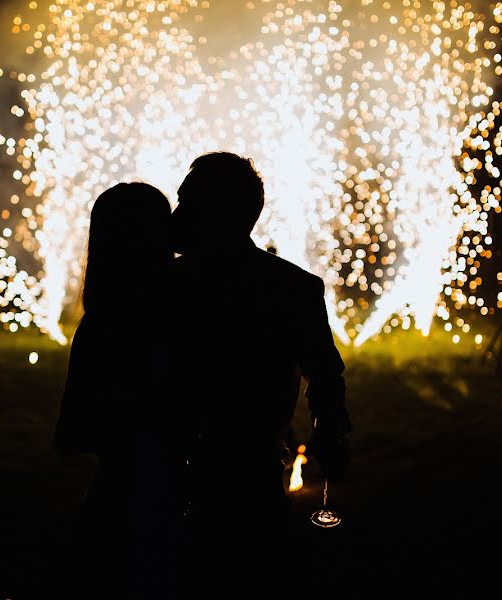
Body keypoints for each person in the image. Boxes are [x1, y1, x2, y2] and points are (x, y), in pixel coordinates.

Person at [170, 152, 352, 597]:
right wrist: (330, 431)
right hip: (242, 474)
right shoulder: (291, 287)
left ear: (218, 213)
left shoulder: (168, 287)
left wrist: (329, 432)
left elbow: (325, 372)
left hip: (210, 476)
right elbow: (326, 375)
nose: (175, 216)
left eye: (187, 202)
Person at [54, 182, 184, 599]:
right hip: (178, 486)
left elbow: (73, 432)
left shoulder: (103, 322)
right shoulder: (190, 306)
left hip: (126, 486)